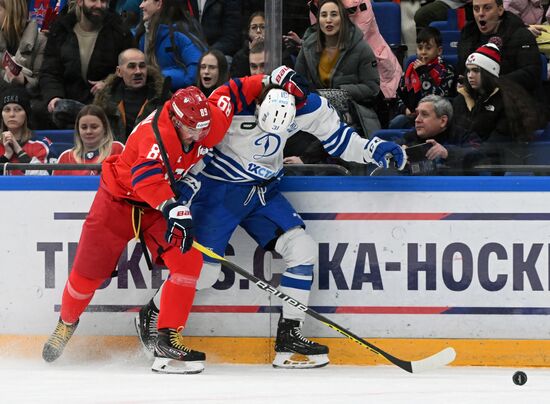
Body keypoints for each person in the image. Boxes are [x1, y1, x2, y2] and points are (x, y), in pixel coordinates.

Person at [135, 66, 407, 370]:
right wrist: (179, 194)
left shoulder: (308, 105)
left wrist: (373, 148)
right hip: (217, 193)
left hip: (263, 193)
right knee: (204, 273)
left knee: (302, 249)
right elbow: (192, 144)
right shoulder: (230, 105)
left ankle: (289, 337)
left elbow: (340, 140)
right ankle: (153, 313)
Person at [41, 79, 257, 374]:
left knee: (189, 261)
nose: (198, 135)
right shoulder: (154, 136)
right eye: (192, 129)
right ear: (177, 120)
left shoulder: (204, 121)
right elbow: (146, 178)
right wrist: (173, 207)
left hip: (157, 208)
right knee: (86, 276)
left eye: (202, 129)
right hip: (118, 203)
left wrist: (269, 80)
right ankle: (66, 322)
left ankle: (167, 337)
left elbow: (230, 94)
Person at [38, 0, 134, 129]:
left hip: (105, 108)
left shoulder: (120, 31)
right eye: (93, 0)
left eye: (104, 1)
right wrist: (54, 97)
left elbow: (130, 70)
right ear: (79, 1)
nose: (99, 5)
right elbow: (50, 71)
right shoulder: (60, 29)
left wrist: (108, 83)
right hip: (66, 106)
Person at [295, 0, 382, 137]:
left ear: (343, 19)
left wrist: (341, 93)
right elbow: (299, 84)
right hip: (316, 111)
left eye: (334, 15)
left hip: (353, 114)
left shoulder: (361, 48)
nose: (328, 20)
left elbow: (372, 88)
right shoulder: (307, 48)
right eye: (324, 15)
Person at [453, 39, 545, 165]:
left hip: (495, 164)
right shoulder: (461, 98)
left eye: (476, 70)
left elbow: (496, 144)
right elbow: (456, 133)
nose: (470, 75)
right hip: (462, 161)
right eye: (468, 70)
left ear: (488, 73)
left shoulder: (507, 102)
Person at [457, 0, 541, 95]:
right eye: (476, 9)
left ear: (500, 10)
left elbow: (531, 74)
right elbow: (462, 70)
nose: (480, 13)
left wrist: (492, 83)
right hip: (476, 97)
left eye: (487, 8)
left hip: (511, 97)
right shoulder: (467, 35)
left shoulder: (520, 35)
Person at [94, 48, 166, 142]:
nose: (138, 72)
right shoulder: (105, 100)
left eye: (142, 66)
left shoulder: (163, 98)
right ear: (119, 71)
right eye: (131, 67)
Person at [391, 27, 457, 129]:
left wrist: (423, 73)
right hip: (412, 115)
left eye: (428, 48)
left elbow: (438, 99)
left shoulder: (446, 70)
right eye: (420, 48)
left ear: (439, 50)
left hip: (434, 117)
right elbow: (399, 94)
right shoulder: (411, 68)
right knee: (397, 122)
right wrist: (405, 109)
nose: (423, 52)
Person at [396, 95, 480, 174]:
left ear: (443, 121)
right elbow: (388, 151)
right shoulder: (409, 137)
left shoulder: (463, 136)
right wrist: (396, 152)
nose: (417, 120)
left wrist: (447, 153)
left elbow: (479, 155)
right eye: (417, 114)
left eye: (424, 114)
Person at [135, 0, 206, 92]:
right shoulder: (143, 37)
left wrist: (162, 79)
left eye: (145, 0)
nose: (141, 5)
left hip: (179, 96)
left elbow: (198, 64)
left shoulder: (181, 32)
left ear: (159, 4)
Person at [53, 105, 124, 176]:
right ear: (78, 130)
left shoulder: (117, 149)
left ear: (104, 128)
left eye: (94, 127)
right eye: (84, 127)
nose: (88, 131)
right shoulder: (66, 157)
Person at [0, 0, 47, 99]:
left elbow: (43, 85)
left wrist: (24, 80)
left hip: (27, 106)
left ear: (12, 11)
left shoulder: (41, 41)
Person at [0, 87, 47, 175]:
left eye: (18, 109)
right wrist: (6, 156)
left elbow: (45, 179)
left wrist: (19, 150)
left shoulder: (40, 144)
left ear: (26, 114)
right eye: (7, 109)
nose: (12, 114)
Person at [230, 11, 265, 78]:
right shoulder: (239, 57)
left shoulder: (278, 52)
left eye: (263, 27)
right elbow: (238, 82)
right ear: (248, 31)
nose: (258, 31)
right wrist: (249, 53)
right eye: (254, 27)